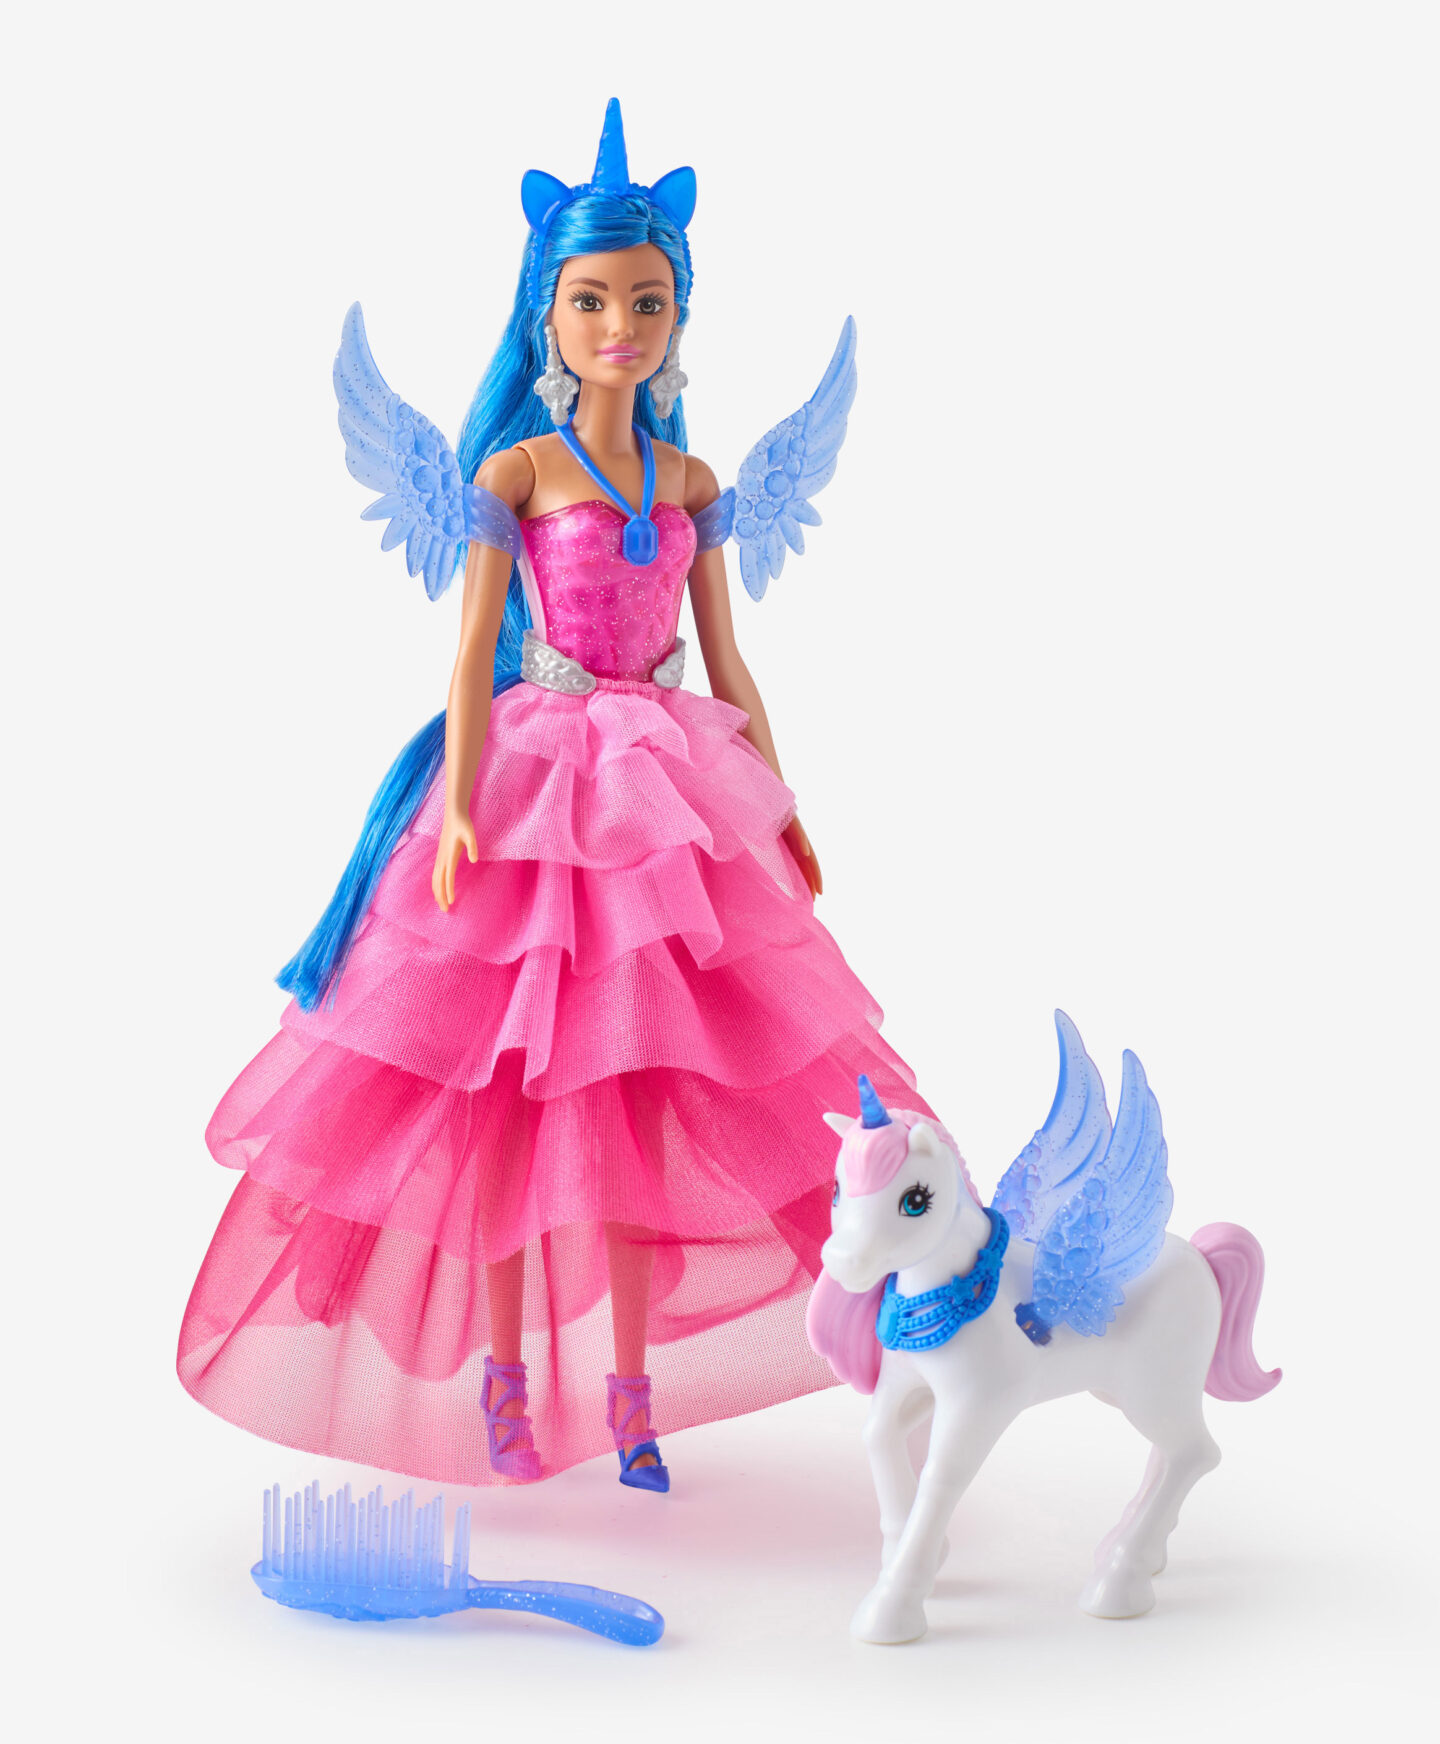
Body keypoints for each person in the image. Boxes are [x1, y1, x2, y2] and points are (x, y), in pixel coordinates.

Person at [178, 100, 932, 1492]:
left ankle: (634, 1399)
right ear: (548, 312)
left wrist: (779, 801)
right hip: (533, 794)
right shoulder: (516, 473)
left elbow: (728, 658)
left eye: (646, 302)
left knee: (635, 1104)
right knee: (513, 1112)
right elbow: (470, 653)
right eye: (592, 301)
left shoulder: (690, 479)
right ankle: (508, 1383)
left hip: (665, 802)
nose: (619, 327)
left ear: (678, 315)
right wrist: (462, 803)